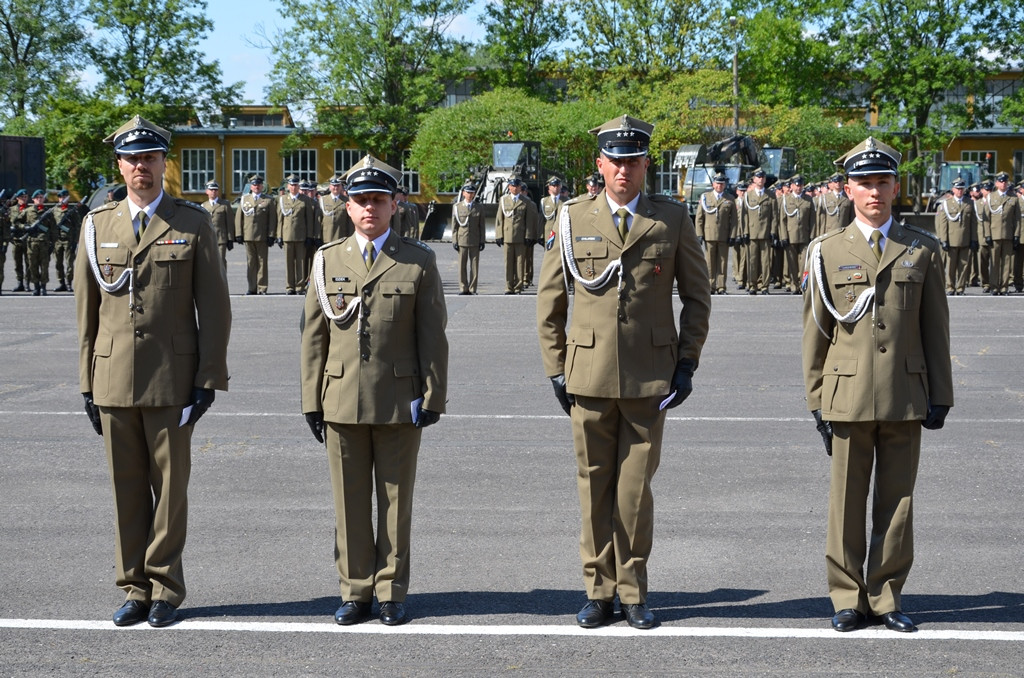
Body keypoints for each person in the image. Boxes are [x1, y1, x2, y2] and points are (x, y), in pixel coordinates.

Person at [536, 114, 712, 630]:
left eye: (632, 161)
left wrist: (686, 361)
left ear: (645, 165)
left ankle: (633, 590)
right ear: (600, 164)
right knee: (593, 487)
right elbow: (550, 301)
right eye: (614, 160)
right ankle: (598, 590)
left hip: (649, 376)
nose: (623, 170)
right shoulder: (570, 219)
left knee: (633, 493)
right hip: (585, 375)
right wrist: (555, 367)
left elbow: (697, 298)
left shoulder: (672, 219)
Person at [75, 115, 231, 628]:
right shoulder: (98, 224)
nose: (141, 167)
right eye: (131, 159)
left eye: (150, 158)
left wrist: (208, 377)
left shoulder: (192, 223)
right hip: (113, 377)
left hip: (172, 378)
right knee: (126, 487)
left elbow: (214, 306)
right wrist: (86, 384)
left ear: (164, 164)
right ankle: (133, 588)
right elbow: (87, 312)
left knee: (171, 487)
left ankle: (165, 587)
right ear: (119, 166)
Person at [802, 136, 953, 634]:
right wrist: (817, 401)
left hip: (905, 394)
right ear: (848, 189)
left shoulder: (922, 249)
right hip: (845, 394)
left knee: (897, 501)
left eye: (882, 181)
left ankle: (886, 596)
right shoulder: (826, 250)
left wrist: (941, 395)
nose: (874, 192)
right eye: (864, 182)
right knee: (845, 501)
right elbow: (816, 334)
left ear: (895, 186)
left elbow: (935, 328)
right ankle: (847, 596)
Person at [301, 155, 447, 627]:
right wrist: (310, 400)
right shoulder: (327, 260)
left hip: (398, 399)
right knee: (348, 501)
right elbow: (313, 337)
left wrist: (434, 395)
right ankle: (355, 590)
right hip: (340, 396)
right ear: (347, 207)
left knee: (395, 500)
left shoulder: (417, 260)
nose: (369, 209)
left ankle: (391, 591)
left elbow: (433, 335)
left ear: (394, 204)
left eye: (378, 200)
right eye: (361, 201)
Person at [494, 175, 539, 294]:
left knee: (520, 263)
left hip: (520, 236)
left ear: (520, 188)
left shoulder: (526, 202)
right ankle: (508, 286)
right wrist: (499, 235)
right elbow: (499, 219)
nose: (515, 188)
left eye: (517, 186)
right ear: (509, 187)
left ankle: (518, 286)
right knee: (508, 263)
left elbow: (529, 221)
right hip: (507, 235)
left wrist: (529, 235)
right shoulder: (503, 200)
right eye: (513, 186)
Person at [695, 172, 737, 294]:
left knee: (723, 262)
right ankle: (710, 285)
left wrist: (733, 235)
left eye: (722, 184)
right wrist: (699, 234)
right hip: (709, 235)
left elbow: (733, 220)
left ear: (725, 185)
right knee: (709, 262)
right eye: (717, 183)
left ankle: (721, 286)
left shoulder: (730, 199)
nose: (719, 186)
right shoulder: (705, 197)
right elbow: (699, 217)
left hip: (724, 235)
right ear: (713, 184)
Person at [235, 175, 277, 295]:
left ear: (262, 186)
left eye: (258, 184)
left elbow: (272, 219)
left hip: (262, 236)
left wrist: (271, 235)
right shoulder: (245, 199)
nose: (256, 187)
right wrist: (239, 233)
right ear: (251, 186)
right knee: (251, 263)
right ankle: (252, 287)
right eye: (254, 185)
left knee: (262, 263)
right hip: (248, 235)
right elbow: (239, 218)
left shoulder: (268, 200)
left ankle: (262, 287)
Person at [934, 178, 977, 295]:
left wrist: (974, 239)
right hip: (951, 239)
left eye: (961, 189)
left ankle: (960, 288)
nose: (960, 191)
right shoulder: (947, 204)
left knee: (963, 266)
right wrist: (943, 240)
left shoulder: (969, 203)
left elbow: (973, 222)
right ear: (953, 190)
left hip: (965, 239)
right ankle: (950, 287)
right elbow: (943, 224)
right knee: (951, 266)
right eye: (957, 189)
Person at [277, 175, 315, 295]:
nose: (293, 187)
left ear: (298, 186)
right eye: (291, 185)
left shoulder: (305, 200)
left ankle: (300, 286)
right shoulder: (283, 199)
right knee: (289, 263)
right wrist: (279, 235)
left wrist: (309, 235)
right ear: (288, 186)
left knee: (300, 262)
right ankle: (290, 287)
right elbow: (280, 219)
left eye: (296, 185)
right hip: (287, 235)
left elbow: (309, 219)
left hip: (301, 235)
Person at [983, 172, 1020, 295]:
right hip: (994, 235)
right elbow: (986, 218)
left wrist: (1016, 235)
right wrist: (987, 235)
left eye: (1005, 181)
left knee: (1006, 262)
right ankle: (994, 286)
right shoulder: (991, 197)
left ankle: (1004, 287)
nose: (1003, 183)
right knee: (994, 262)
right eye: (1001, 181)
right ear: (997, 183)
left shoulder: (1013, 197)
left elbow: (1017, 219)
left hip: (1008, 234)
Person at [741, 169, 775, 294]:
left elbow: (774, 215)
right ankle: (752, 285)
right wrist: (744, 232)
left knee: (766, 261)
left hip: (765, 232)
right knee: (752, 260)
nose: (760, 179)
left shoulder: (770, 195)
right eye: (758, 177)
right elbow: (744, 215)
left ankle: (764, 286)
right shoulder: (748, 195)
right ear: (754, 179)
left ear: (765, 180)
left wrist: (773, 231)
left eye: (762, 177)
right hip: (752, 232)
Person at [451, 181, 485, 295]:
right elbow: (454, 226)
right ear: (464, 193)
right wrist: (454, 240)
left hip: (475, 240)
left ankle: (472, 288)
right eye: (468, 192)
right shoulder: (457, 207)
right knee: (462, 266)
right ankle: (463, 287)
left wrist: (482, 240)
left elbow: (482, 226)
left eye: (472, 193)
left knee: (474, 266)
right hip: (462, 240)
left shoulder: (478, 207)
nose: (470, 195)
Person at [25, 189, 57, 296]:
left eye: (41, 197)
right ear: (33, 199)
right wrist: (26, 227)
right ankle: (36, 287)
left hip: (44, 243)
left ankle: (43, 287)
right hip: (32, 243)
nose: (39, 199)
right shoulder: (28, 211)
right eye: (37, 198)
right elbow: (16, 222)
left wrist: (53, 244)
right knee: (32, 266)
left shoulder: (48, 212)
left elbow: (53, 229)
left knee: (44, 266)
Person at [52, 189, 82, 292]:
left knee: (69, 263)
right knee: (58, 263)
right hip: (57, 240)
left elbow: (78, 226)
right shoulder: (55, 210)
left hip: (69, 240)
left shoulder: (72, 210)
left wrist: (76, 240)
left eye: (64, 197)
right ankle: (62, 283)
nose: (62, 199)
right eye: (60, 197)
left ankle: (69, 283)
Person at [201, 180, 235, 273]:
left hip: (221, 238)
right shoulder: (203, 206)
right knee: (209, 261)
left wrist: (230, 239)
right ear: (206, 191)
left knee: (221, 260)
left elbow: (229, 222)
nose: (213, 192)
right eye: (211, 189)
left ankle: (222, 282)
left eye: (215, 190)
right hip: (208, 238)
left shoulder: (224, 204)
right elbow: (202, 224)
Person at [8, 188, 31, 292]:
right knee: (17, 263)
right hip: (16, 239)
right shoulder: (12, 209)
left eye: (25, 197)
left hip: (28, 239)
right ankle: (20, 283)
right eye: (22, 197)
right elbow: (8, 223)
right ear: (17, 198)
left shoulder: (31, 209)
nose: (24, 199)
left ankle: (27, 284)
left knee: (29, 262)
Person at [320, 176, 354, 242]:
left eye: (338, 185)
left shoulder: (346, 200)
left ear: (341, 187)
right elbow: (319, 220)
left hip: (341, 235)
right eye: (333, 185)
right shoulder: (323, 200)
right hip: (326, 236)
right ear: (330, 187)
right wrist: (317, 237)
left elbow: (349, 221)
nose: (335, 188)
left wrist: (350, 236)